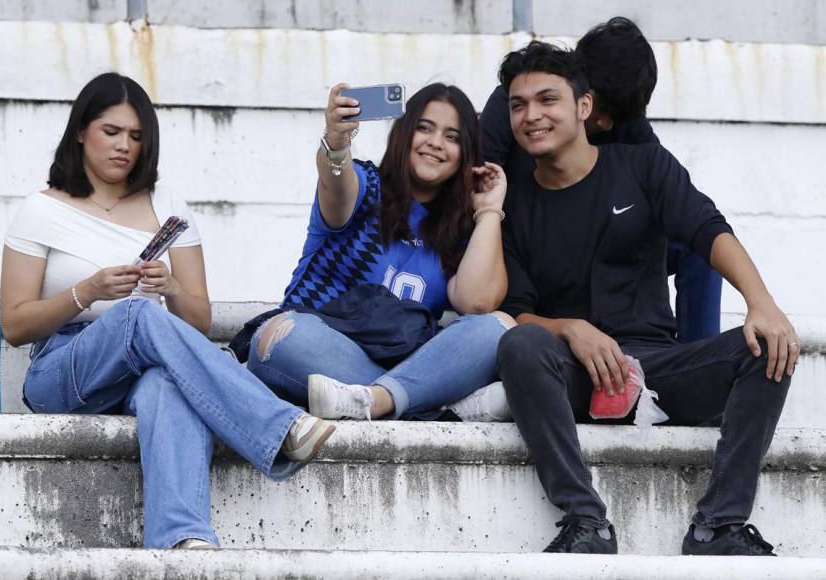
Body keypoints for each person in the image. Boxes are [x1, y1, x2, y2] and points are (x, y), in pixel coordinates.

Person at [0, 72, 335, 550]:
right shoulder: (40, 210)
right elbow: (14, 325)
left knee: (167, 385)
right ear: (80, 131)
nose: (124, 146)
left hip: (147, 365)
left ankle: (182, 542)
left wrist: (171, 287)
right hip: (62, 368)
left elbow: (198, 320)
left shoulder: (167, 204)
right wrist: (88, 291)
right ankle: (279, 425)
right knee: (135, 316)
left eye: (136, 136)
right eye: (111, 132)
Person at [494, 42, 798, 555]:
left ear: (583, 106)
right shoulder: (512, 202)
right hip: (572, 373)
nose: (532, 115)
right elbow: (512, 311)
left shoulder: (643, 165)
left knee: (769, 347)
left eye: (547, 99)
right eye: (518, 105)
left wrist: (760, 301)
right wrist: (569, 328)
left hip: (658, 367)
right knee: (520, 345)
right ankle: (585, 521)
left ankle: (718, 525)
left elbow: (706, 228)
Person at [245, 82, 515, 423]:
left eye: (452, 137)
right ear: (403, 134)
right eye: (424, 128)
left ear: (466, 153)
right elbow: (336, 181)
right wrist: (336, 144)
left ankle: (377, 400)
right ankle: (427, 408)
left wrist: (489, 210)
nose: (435, 143)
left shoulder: (457, 232)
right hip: (326, 351)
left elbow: (478, 303)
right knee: (280, 338)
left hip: (400, 361)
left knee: (499, 328)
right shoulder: (366, 187)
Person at [479, 16, 722, 344]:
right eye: (599, 110)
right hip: (526, 250)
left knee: (699, 243)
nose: (604, 123)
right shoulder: (522, 103)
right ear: (580, 93)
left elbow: (676, 200)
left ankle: (694, 361)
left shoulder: (628, 125)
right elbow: (473, 182)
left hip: (605, 249)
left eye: (613, 117)